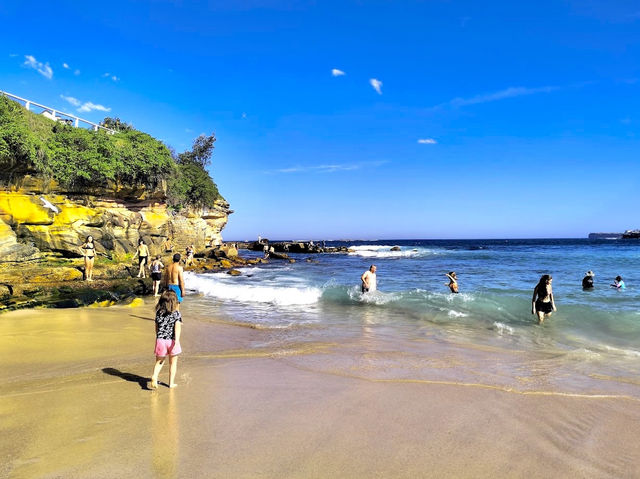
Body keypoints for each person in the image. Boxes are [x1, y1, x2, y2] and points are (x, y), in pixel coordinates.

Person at [150, 290, 182, 389]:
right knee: (173, 363)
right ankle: (171, 383)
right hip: (172, 341)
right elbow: (177, 327)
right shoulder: (176, 314)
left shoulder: (159, 313)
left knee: (159, 361)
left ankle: (154, 375)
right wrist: (177, 340)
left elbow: (156, 327)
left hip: (160, 340)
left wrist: (158, 337)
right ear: (174, 302)